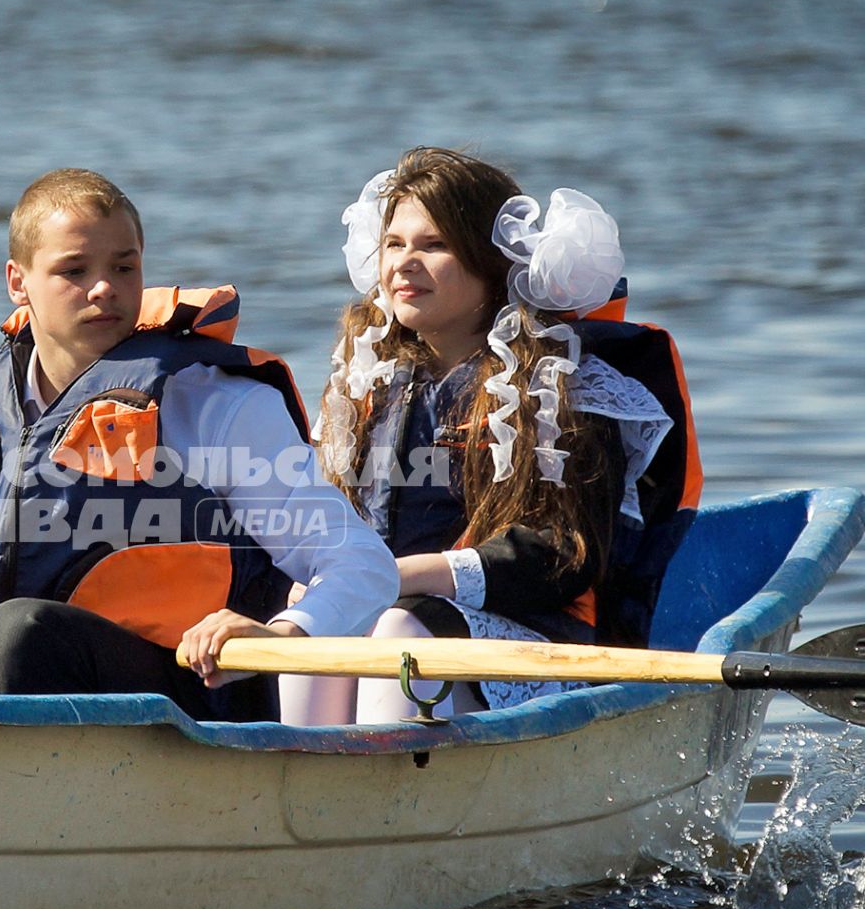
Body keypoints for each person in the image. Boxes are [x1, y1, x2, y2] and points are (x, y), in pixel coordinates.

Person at [0, 168, 399, 721]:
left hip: (195, 714)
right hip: (4, 702)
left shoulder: (220, 406)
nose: (104, 290)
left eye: (124, 268)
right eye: (74, 271)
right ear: (18, 282)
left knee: (19, 630)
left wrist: (286, 632)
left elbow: (361, 566)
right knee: (13, 637)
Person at [283, 147, 698, 725]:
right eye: (395, 244)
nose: (404, 264)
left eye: (433, 246)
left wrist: (399, 577)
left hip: (537, 635)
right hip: (392, 613)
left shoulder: (562, 386)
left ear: (492, 264)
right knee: (314, 633)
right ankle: (307, 791)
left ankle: (387, 793)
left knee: (402, 627)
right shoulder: (368, 379)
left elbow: (564, 555)